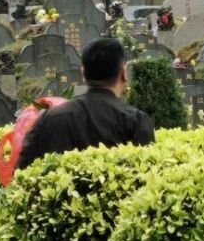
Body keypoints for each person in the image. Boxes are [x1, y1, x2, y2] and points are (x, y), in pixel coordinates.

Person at [16, 38, 154, 169]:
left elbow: (22, 171)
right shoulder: (135, 121)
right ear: (124, 72)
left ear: (83, 73)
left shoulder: (50, 118)